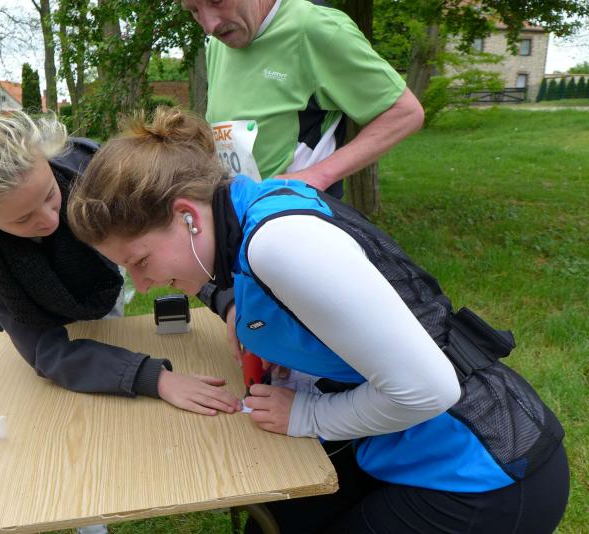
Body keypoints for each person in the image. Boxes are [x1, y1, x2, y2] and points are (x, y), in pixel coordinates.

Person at [66, 108, 569, 533]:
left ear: (187, 216)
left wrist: (306, 416)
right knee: (278, 519)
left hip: (482, 475)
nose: (143, 285)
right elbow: (259, 296)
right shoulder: (250, 209)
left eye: (140, 261)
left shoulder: (279, 244)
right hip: (409, 448)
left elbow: (428, 391)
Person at [0, 95, 241, 418]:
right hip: (45, 302)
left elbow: (176, 243)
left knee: (111, 329)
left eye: (49, 195)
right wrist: (154, 378)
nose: (50, 220)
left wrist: (227, 300)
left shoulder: (91, 171)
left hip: (97, 281)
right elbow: (43, 347)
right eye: (23, 219)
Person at [184, 0, 424, 199]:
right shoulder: (217, 43)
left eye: (217, 1)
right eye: (194, 10)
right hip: (237, 216)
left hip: (295, 216)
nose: (209, 26)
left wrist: (318, 175)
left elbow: (405, 112)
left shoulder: (315, 27)